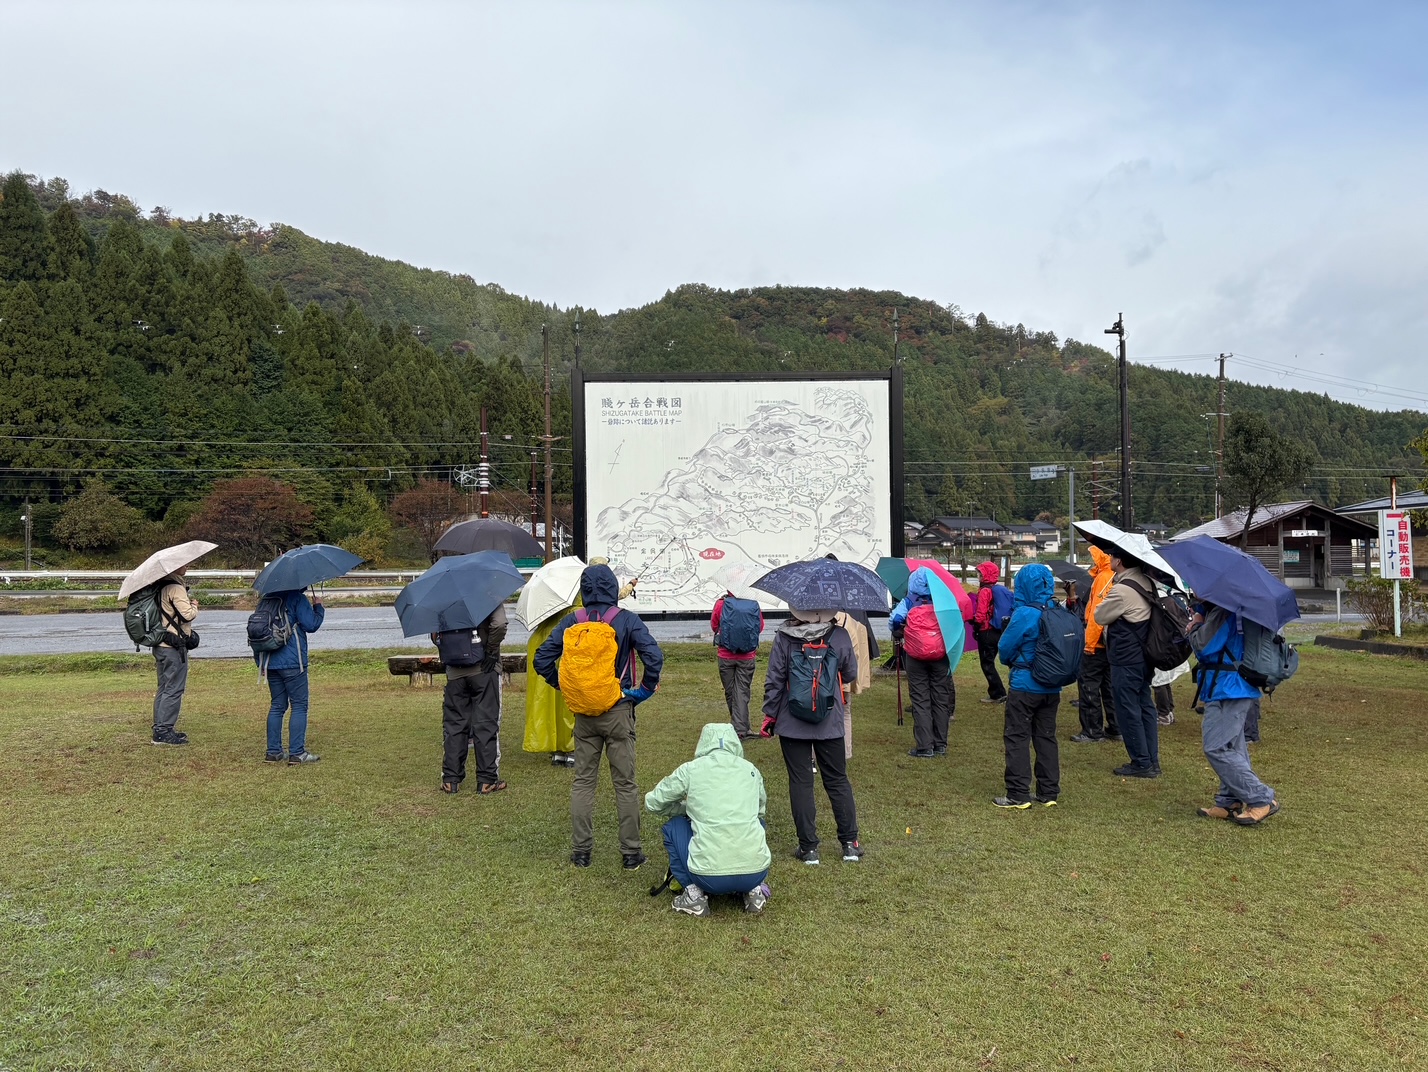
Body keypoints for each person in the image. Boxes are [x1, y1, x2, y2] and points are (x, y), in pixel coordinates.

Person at [535, 564, 664, 869]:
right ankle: (631, 854)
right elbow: (654, 657)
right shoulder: (627, 620)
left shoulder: (573, 621)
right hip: (618, 708)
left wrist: (566, 688)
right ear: (612, 588)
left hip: (584, 714)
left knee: (583, 782)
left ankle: (581, 852)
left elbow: (542, 659)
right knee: (625, 784)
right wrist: (643, 690)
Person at [760, 607, 862, 865]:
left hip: (792, 721)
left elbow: (774, 680)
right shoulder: (839, 635)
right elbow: (851, 673)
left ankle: (809, 848)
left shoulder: (784, 636)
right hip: (830, 721)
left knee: (801, 782)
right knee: (837, 780)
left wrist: (770, 715)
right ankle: (850, 844)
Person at [645, 722, 772, 917]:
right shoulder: (750, 770)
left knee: (674, 826)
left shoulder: (691, 770)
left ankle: (694, 895)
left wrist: (687, 809)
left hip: (708, 877)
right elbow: (759, 811)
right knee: (757, 823)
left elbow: (653, 802)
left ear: (703, 743)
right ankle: (753, 892)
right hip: (756, 873)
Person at [1189, 602, 1280, 824]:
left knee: (1216, 747)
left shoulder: (1223, 609)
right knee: (1233, 746)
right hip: (1233, 684)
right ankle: (1228, 801)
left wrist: (1195, 626)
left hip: (1227, 687)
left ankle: (1261, 798)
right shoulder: (1237, 606)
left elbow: (1204, 646)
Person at [994, 563, 1063, 808]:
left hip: (1025, 685)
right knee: (1046, 737)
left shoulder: (1025, 613)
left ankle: (1017, 793)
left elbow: (1005, 648)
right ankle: (1048, 791)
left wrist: (1014, 661)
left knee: (1017, 736)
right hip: (1052, 685)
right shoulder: (1057, 609)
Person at [1092, 552, 1161, 778]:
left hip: (1126, 657)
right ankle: (1151, 759)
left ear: (1119, 561)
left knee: (1127, 709)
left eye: (1112, 556)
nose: (1109, 559)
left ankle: (1141, 762)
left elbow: (1100, 616)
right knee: (1145, 705)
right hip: (1144, 655)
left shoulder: (1122, 589)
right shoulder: (1146, 582)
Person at [436, 604, 507, 793]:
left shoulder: (443, 598)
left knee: (454, 724)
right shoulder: (487, 594)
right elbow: (499, 624)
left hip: (454, 670)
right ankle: (487, 779)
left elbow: (435, 634)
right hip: (484, 668)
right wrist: (491, 651)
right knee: (486, 723)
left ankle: (450, 779)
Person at [889, 569, 955, 758]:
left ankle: (925, 746)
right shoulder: (942, 601)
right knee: (940, 698)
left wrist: (900, 631)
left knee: (920, 699)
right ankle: (940, 744)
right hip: (940, 655)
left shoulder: (909, 601)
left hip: (915, 654)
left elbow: (895, 621)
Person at [257, 587, 326, 764]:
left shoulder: (266, 599)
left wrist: (261, 662)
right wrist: (318, 607)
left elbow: (258, 630)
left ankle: (273, 752)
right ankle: (297, 752)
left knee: (277, 706)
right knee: (299, 705)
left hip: (270, 660)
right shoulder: (297, 598)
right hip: (293, 661)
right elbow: (311, 625)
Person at [1071, 547, 1119, 744]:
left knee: (1089, 687)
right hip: (1110, 643)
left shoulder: (1103, 577)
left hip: (1097, 643)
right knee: (1109, 687)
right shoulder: (1115, 576)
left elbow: (1096, 615)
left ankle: (1092, 730)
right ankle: (1116, 727)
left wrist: (1089, 644)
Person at [524, 602, 577, 767]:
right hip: (567, 647)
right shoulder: (577, 611)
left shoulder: (548, 604)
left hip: (545, 644)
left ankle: (557, 750)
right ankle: (570, 749)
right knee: (569, 704)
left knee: (549, 704)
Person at [151, 566, 199, 746]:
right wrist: (194, 606)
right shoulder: (175, 587)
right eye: (184, 564)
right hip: (173, 646)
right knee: (174, 688)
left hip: (160, 643)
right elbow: (187, 615)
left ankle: (159, 726)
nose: (187, 566)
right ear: (175, 567)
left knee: (164, 687)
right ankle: (163, 731)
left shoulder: (159, 586)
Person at [710, 590, 764, 739]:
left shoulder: (721, 604)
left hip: (725, 655)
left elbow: (715, 626)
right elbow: (760, 626)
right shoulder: (752, 604)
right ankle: (742, 729)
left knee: (730, 692)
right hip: (747, 656)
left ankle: (739, 730)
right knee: (742, 691)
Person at [972, 561, 1012, 704]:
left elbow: (981, 613)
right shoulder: (998, 589)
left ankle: (998, 693)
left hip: (986, 631)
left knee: (987, 663)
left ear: (985, 574)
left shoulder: (985, 591)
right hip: (998, 630)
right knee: (994, 662)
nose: (978, 576)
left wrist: (976, 626)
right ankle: (1006, 691)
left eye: (980, 573)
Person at [1152, 660, 1190, 726]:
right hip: (1168, 658)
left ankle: (1163, 715)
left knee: (1159, 682)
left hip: (1162, 659)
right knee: (1164, 682)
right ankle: (1168, 712)